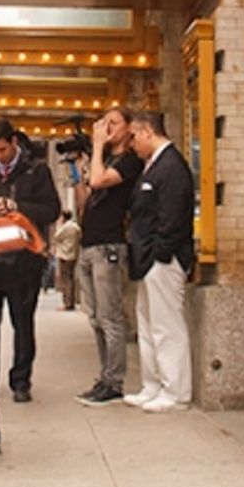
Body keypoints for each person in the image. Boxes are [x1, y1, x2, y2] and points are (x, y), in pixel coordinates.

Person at [124, 110, 196, 414]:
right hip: (146, 259)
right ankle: (152, 384)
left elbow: (174, 217)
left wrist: (160, 254)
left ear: (146, 132)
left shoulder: (173, 167)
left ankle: (176, 391)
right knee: (149, 325)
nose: (131, 145)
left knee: (167, 327)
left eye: (133, 137)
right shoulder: (153, 166)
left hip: (162, 260)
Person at [73, 106, 143, 407]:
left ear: (129, 129)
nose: (106, 128)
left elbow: (101, 183)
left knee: (110, 317)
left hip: (109, 246)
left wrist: (98, 146)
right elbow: (85, 199)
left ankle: (114, 382)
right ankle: (104, 377)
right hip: (88, 245)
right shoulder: (106, 160)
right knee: (95, 318)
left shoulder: (129, 162)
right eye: (104, 123)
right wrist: (84, 168)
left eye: (114, 123)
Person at [0, 119, 60, 404]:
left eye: (3, 150)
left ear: (14, 143)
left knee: (23, 324)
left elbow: (51, 209)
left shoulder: (36, 170)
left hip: (24, 260)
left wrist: (18, 208)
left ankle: (21, 380)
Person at [51, 210, 82, 311]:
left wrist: (59, 225)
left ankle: (67, 303)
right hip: (73, 254)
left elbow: (56, 236)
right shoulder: (76, 227)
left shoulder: (66, 227)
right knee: (70, 278)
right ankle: (71, 301)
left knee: (65, 280)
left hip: (64, 255)